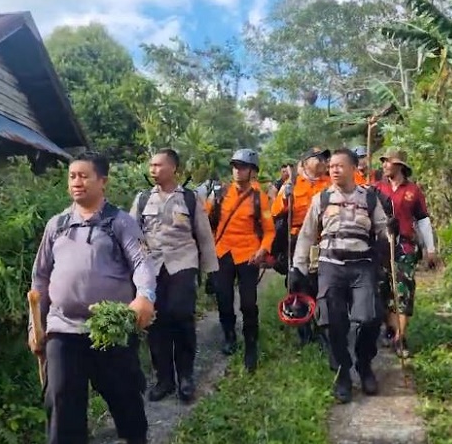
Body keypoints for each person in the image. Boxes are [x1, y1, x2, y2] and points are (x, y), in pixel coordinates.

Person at [29, 152, 157, 444]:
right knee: (62, 401)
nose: (77, 182)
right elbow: (40, 278)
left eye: (84, 176)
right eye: (72, 176)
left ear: (103, 181)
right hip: (62, 329)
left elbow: (142, 263)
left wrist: (145, 296)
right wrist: (33, 327)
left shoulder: (120, 222)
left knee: (124, 395)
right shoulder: (57, 225)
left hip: (109, 329)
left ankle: (135, 438)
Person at [289, 148, 391, 403]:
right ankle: (343, 372)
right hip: (330, 264)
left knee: (369, 318)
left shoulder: (369, 198)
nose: (333, 169)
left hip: (363, 264)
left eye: (339, 165)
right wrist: (298, 268)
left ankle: (364, 364)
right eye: (331, 166)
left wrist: (389, 233)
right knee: (332, 322)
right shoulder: (321, 199)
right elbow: (306, 235)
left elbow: (382, 229)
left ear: (354, 169)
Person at [129, 148, 219, 403]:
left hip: (182, 263)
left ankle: (186, 377)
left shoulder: (189, 198)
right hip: (152, 267)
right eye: (151, 166)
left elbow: (204, 237)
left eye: (158, 165)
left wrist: (210, 273)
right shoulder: (143, 198)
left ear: (173, 169)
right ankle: (164, 379)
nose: (153, 170)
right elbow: (130, 234)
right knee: (155, 322)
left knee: (181, 315)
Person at [206, 148, 275, 372]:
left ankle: (251, 344)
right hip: (222, 253)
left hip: (248, 256)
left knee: (248, 303)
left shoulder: (259, 198)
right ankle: (229, 337)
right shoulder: (220, 193)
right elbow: (205, 222)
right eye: (235, 166)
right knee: (224, 299)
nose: (237, 171)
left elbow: (269, 230)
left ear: (252, 171)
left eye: (242, 167)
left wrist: (263, 250)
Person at [375, 149, 438, 357]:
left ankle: (400, 338)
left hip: (405, 248)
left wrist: (430, 250)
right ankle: (391, 329)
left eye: (389, 162)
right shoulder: (377, 188)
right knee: (384, 292)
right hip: (382, 248)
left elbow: (423, 221)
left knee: (404, 293)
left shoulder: (413, 191)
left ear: (400, 166)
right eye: (383, 162)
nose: (384, 165)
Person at [270, 148, 332, 348]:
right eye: (318, 158)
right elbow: (275, 212)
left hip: (324, 240)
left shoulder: (330, 184)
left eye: (325, 158)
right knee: (299, 284)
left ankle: (323, 329)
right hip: (297, 241)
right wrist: (284, 197)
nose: (323, 161)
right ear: (305, 162)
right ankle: (304, 330)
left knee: (323, 285)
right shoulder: (293, 184)